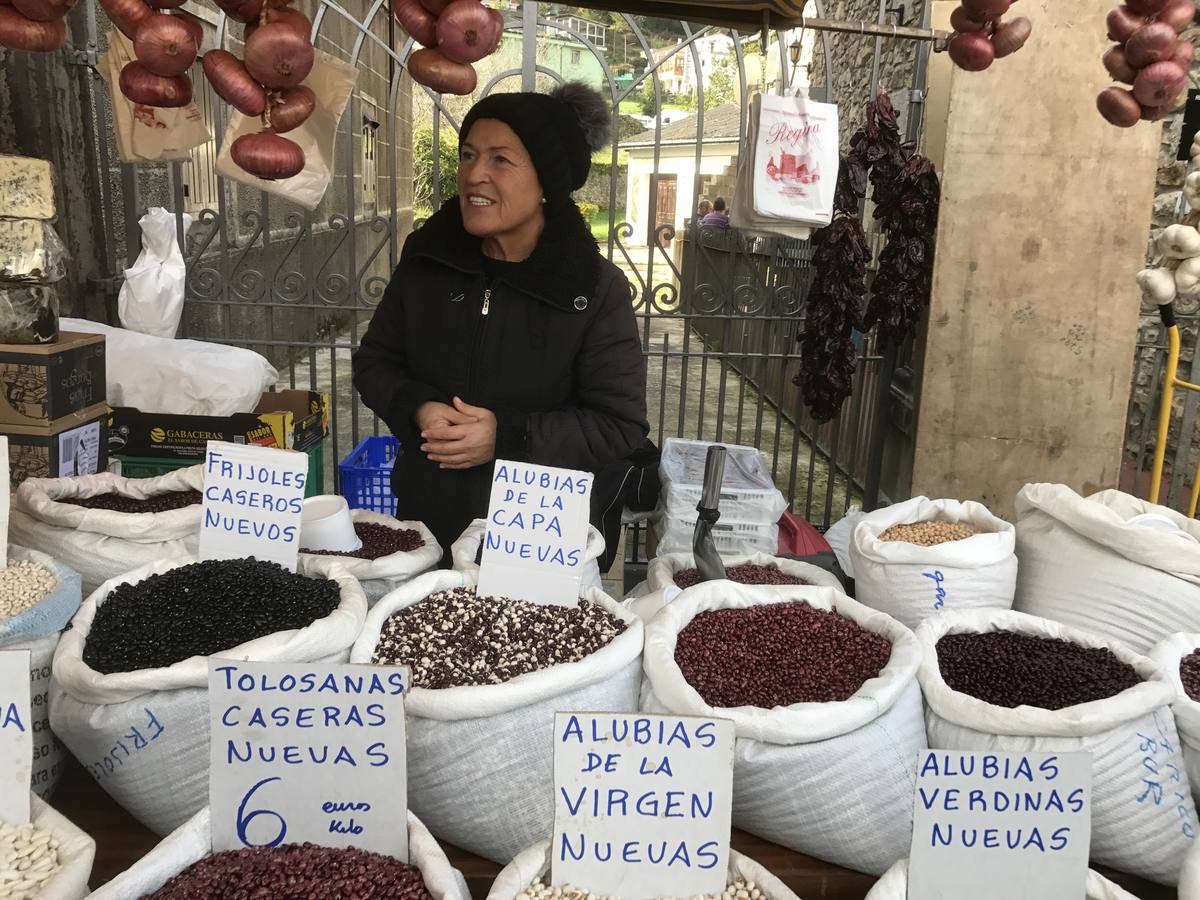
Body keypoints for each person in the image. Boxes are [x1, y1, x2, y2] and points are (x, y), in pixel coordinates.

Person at [352, 83, 650, 557]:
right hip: (428, 525)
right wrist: (418, 408)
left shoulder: (593, 289)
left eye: (500, 160)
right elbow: (374, 363)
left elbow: (618, 425)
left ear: (547, 182)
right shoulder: (428, 260)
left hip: (537, 535)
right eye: (468, 156)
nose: (474, 175)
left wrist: (507, 437)